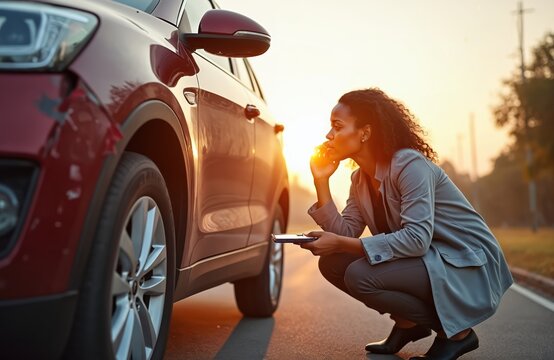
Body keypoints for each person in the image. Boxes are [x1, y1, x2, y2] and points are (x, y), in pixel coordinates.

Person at [299, 88, 513, 360]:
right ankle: (408, 324)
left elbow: (416, 239)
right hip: (429, 258)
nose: (329, 136)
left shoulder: (409, 165)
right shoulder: (360, 180)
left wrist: (341, 243)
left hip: (465, 261)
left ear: (365, 132)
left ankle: (457, 335)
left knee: (360, 275)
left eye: (337, 126)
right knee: (332, 263)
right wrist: (321, 183)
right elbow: (345, 233)